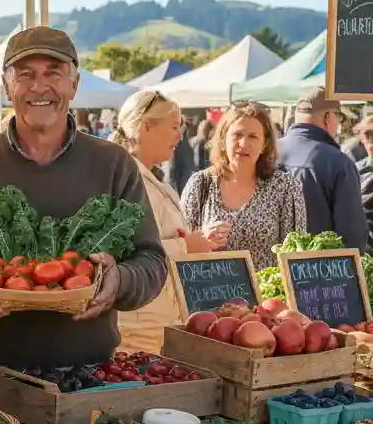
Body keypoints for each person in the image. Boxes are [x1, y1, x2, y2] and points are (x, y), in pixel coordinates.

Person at [0, 27, 166, 384]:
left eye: (53, 73)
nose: (39, 87)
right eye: (25, 74)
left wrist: (119, 281)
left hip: (91, 376)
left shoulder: (114, 163)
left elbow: (152, 261)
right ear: (7, 86)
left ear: (74, 84)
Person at [111, 92, 219, 352]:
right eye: (173, 127)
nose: (180, 137)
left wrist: (192, 242)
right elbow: (123, 253)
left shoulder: (152, 180)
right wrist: (185, 246)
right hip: (137, 330)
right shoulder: (127, 182)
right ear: (146, 126)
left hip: (157, 324)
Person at [182, 101, 307, 271]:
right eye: (237, 135)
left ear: (264, 144)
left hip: (266, 288)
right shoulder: (200, 184)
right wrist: (203, 238)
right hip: (208, 286)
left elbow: (295, 257)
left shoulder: (286, 187)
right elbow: (181, 246)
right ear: (223, 139)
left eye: (253, 137)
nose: (243, 144)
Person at [279, 87, 367, 251]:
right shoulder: (338, 163)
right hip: (317, 264)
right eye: (338, 117)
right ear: (328, 117)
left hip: (264, 264)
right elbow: (352, 236)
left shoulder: (265, 153)